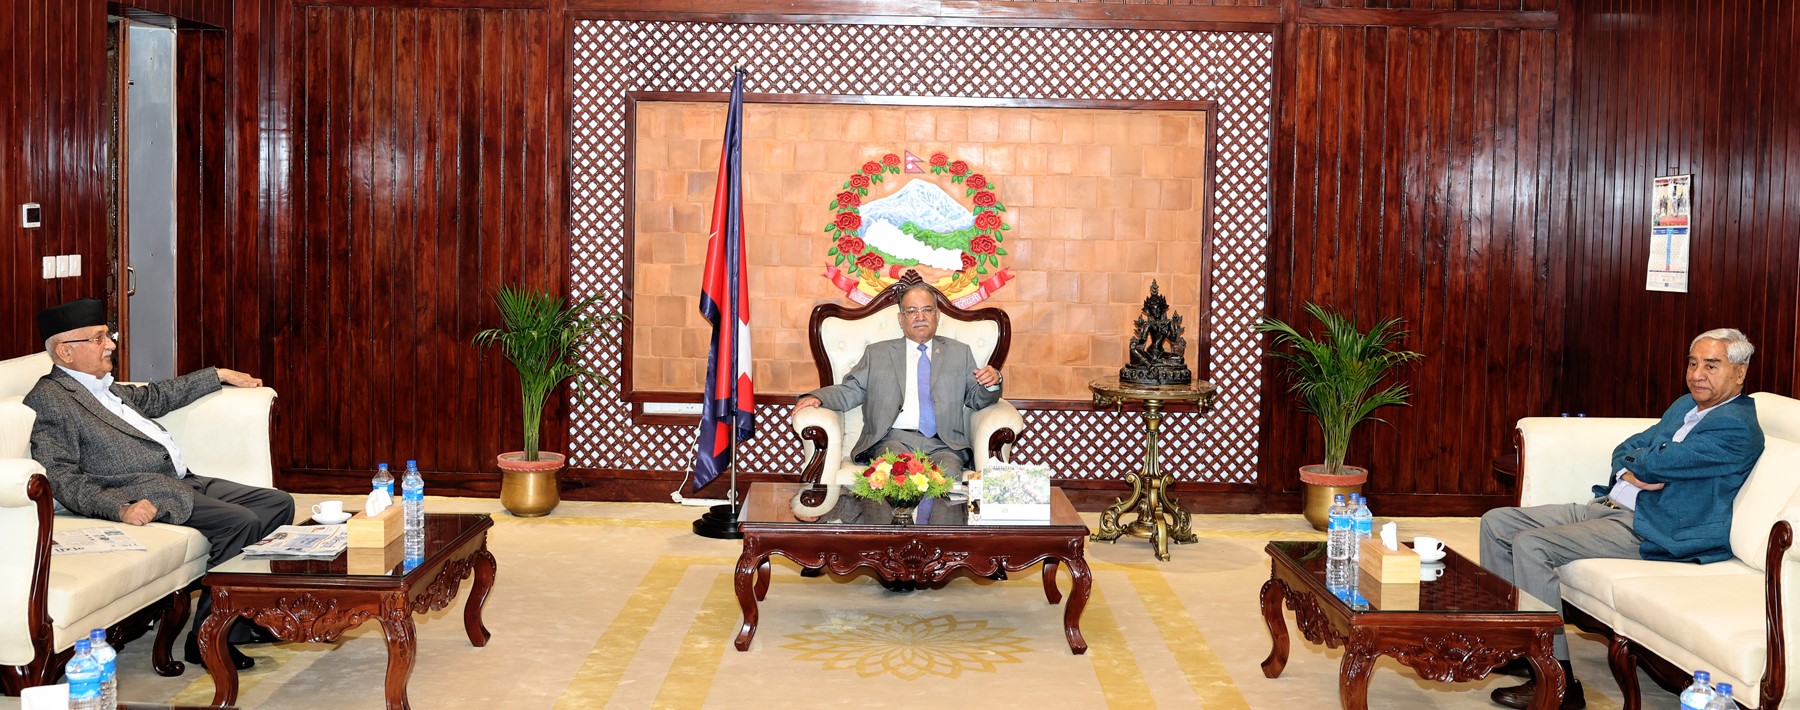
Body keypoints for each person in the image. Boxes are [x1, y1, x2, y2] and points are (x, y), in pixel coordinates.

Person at [1478, 328, 1763, 709]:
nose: (1697, 375)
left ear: (1740, 373)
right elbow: (1628, 447)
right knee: (1497, 522)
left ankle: (1557, 681)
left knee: (1531, 546)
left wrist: (1647, 462)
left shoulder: (1736, 426)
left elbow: (1660, 462)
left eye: (1711, 366)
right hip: (1611, 505)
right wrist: (1634, 468)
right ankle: (1516, 648)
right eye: (1693, 363)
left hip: (1654, 528)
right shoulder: (1686, 406)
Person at [26, 298, 295, 671]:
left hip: (180, 480)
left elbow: (157, 396)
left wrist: (217, 374)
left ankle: (242, 619)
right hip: (145, 491)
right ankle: (208, 638)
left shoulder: (102, 387)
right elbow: (60, 476)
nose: (111, 345)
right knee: (240, 523)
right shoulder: (51, 399)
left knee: (278, 504)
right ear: (65, 351)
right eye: (98, 338)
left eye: (108, 335)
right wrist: (119, 507)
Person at [795, 282, 1003, 526]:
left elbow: (977, 399)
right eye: (911, 311)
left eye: (927, 310)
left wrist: (993, 382)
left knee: (948, 484)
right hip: (892, 440)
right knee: (891, 475)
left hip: (944, 444)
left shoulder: (960, 352)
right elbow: (851, 390)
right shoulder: (877, 353)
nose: (920, 317)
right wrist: (819, 397)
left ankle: (939, 544)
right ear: (901, 319)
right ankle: (888, 543)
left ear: (937, 315)